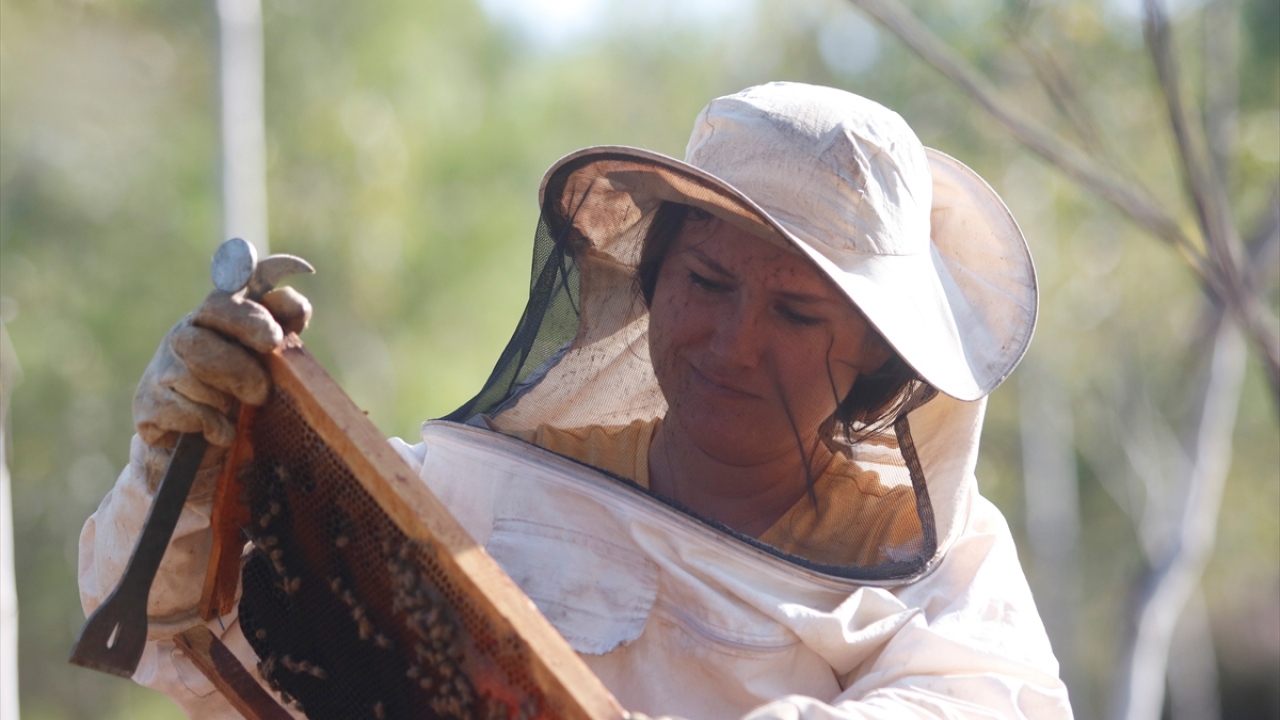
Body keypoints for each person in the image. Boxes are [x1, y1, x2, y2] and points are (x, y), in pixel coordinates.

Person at [79, 82, 1074, 718]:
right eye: (708, 285)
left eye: (797, 312)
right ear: (651, 282)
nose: (734, 343)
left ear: (870, 348)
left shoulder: (950, 574)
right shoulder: (484, 501)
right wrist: (184, 466)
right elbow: (176, 633)